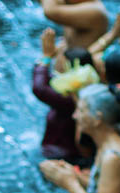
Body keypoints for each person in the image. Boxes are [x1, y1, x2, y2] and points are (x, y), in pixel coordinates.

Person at [32, 27, 97, 163]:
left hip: (64, 159)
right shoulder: (86, 85)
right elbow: (47, 81)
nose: (56, 61)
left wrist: (46, 57)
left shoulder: (73, 97)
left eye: (60, 59)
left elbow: (40, 88)